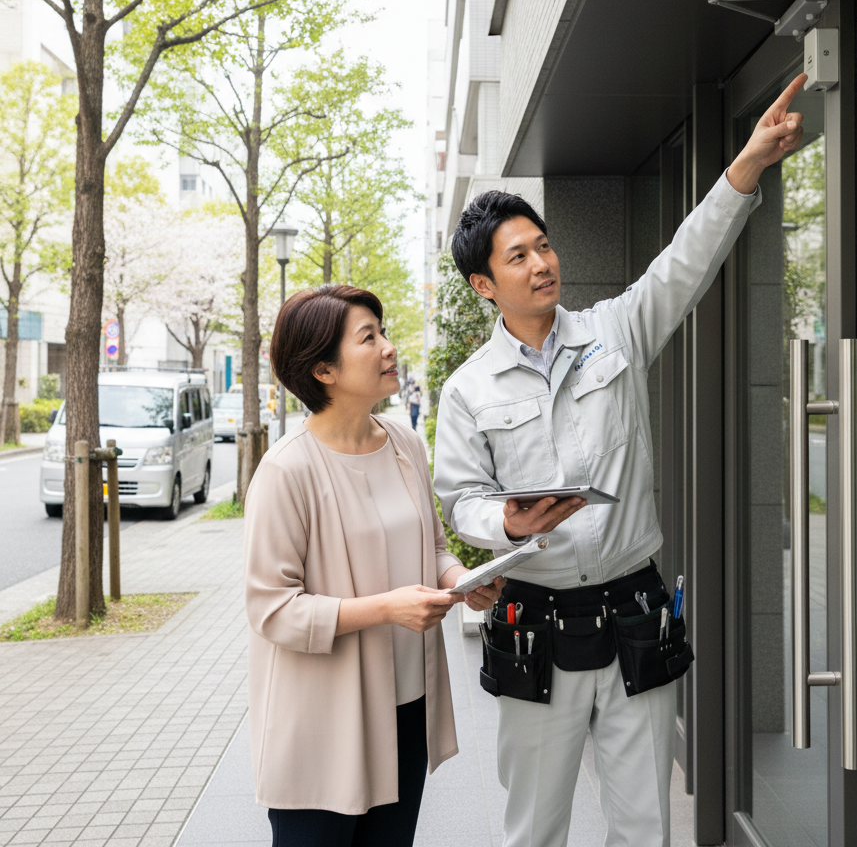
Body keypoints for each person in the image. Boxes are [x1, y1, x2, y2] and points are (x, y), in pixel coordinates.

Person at [433, 75, 807, 846]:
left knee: (644, 829)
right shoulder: (467, 389)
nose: (541, 263)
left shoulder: (616, 331)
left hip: (635, 617)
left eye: (544, 245)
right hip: (533, 626)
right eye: (518, 256)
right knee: (533, 828)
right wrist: (504, 519)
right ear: (483, 284)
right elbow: (459, 498)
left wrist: (747, 165)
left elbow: (684, 262)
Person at [244, 283, 503, 847]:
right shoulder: (286, 471)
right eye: (369, 337)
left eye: (382, 333)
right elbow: (273, 610)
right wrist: (388, 608)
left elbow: (432, 547)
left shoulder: (405, 443)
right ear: (323, 371)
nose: (388, 348)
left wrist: (461, 581)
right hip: (324, 720)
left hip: (407, 703)